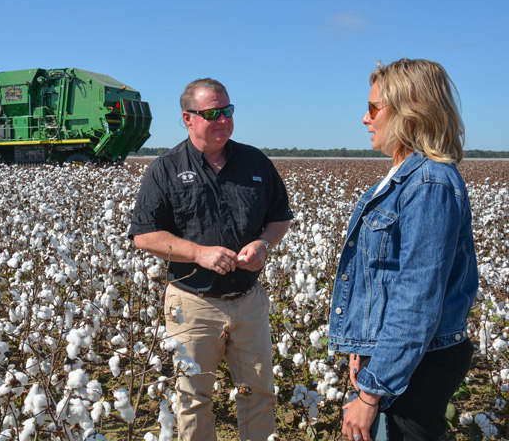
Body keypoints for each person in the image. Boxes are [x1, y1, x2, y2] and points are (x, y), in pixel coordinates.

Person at [129, 78, 293, 440]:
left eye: (228, 111)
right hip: (192, 304)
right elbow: (144, 235)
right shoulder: (166, 169)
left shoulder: (255, 162)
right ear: (188, 118)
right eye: (212, 113)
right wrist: (199, 253)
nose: (223, 120)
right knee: (192, 398)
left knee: (260, 393)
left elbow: (280, 216)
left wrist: (264, 243)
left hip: (248, 302)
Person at [328, 59, 479, 441]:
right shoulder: (404, 177)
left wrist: (372, 391)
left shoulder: (429, 183)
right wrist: (363, 347)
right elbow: (386, 279)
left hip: (417, 364)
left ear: (410, 113)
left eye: (374, 108)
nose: (365, 118)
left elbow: (416, 298)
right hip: (397, 359)